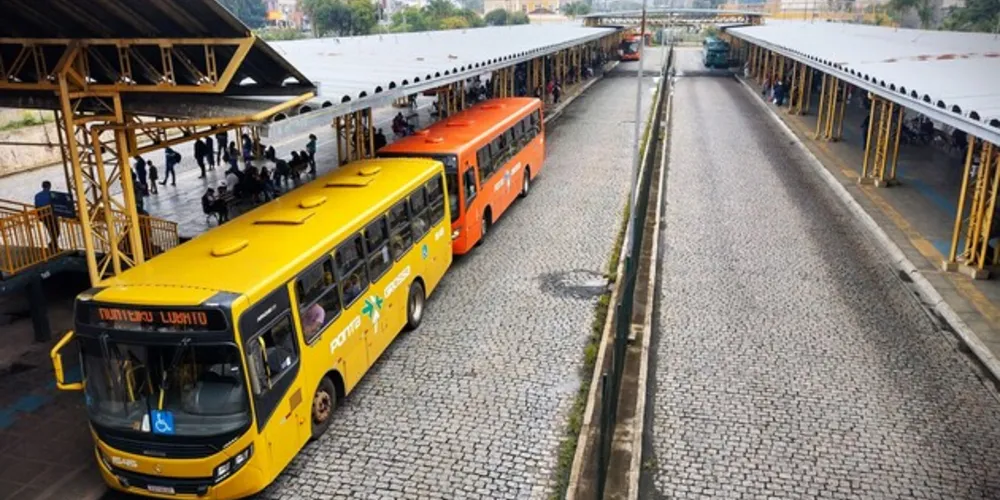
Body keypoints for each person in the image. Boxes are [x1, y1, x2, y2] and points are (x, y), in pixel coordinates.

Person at [34, 181, 60, 252]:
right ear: (49, 186)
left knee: (50, 230)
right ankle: (53, 245)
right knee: (56, 230)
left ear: (42, 186)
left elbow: (36, 206)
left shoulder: (37, 195)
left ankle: (53, 245)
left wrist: (39, 216)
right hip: (51, 214)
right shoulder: (52, 194)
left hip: (43, 215)